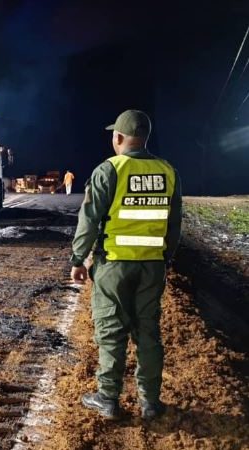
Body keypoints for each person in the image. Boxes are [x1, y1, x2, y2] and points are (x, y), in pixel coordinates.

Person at [70, 110, 182, 421]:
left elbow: (89, 220)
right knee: (148, 332)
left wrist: (78, 259)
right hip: (152, 267)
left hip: (115, 267)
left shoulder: (110, 170)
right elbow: (174, 225)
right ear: (145, 139)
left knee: (111, 331)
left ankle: (107, 398)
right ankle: (150, 403)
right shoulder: (168, 171)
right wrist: (165, 259)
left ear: (118, 138)